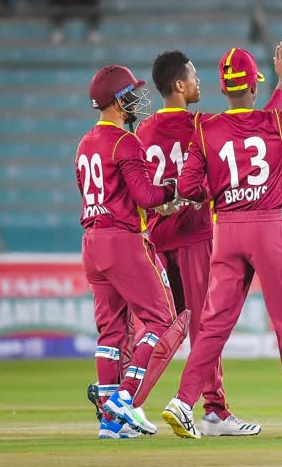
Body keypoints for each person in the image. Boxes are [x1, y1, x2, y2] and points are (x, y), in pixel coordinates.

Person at [161, 47, 282, 439]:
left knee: (213, 326)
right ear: (253, 86)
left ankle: (182, 402)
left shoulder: (205, 127)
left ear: (225, 88)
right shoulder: (276, 123)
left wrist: (215, 190)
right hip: (266, 228)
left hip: (226, 230)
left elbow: (192, 187)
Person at [133, 44, 282, 436]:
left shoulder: (143, 130)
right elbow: (260, 126)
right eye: (193, 77)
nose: (199, 81)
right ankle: (214, 410)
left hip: (156, 236)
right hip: (196, 234)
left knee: (158, 325)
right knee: (206, 324)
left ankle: (126, 400)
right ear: (178, 85)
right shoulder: (203, 125)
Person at [76, 64, 181, 438]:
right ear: (119, 102)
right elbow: (145, 196)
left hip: (92, 242)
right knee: (159, 319)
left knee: (110, 333)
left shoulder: (86, 142)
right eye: (131, 94)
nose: (138, 99)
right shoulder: (125, 141)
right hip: (123, 241)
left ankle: (110, 423)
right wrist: (172, 189)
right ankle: (124, 399)